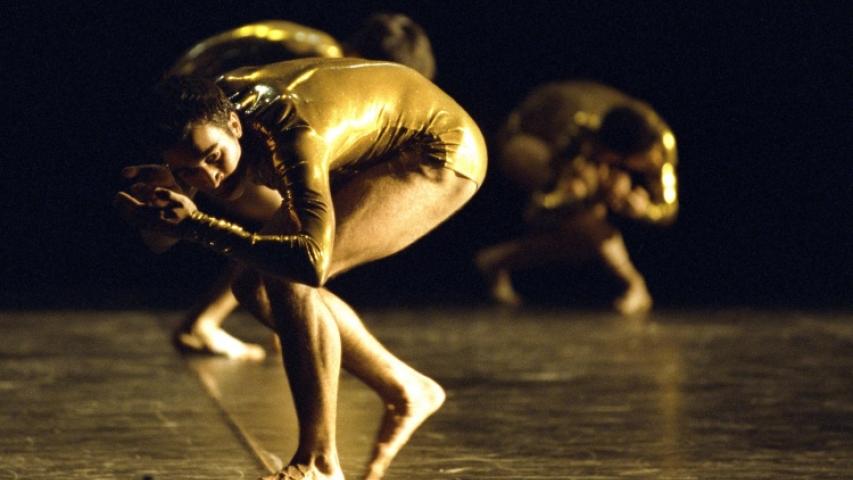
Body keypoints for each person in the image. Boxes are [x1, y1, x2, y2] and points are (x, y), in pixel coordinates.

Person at [115, 58, 486, 480]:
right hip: (367, 148)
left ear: (235, 126)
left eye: (214, 158)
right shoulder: (205, 124)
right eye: (187, 171)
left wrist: (197, 224)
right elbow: (160, 244)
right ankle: (406, 389)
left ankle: (319, 464)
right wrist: (160, 199)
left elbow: (309, 264)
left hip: (437, 147)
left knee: (287, 276)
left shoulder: (291, 133)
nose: (210, 179)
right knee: (252, 285)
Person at [166, 13, 437, 360]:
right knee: (298, 224)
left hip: (186, 123)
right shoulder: (326, 64)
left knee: (293, 223)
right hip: (194, 136)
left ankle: (254, 318)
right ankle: (244, 320)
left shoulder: (319, 46)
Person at [475, 81, 678, 315]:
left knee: (583, 239)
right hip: (526, 139)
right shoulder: (582, 127)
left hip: (582, 157)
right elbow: (543, 205)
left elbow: (668, 209)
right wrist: (589, 192)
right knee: (584, 217)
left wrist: (644, 210)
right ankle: (634, 284)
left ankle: (496, 261)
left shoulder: (660, 145)